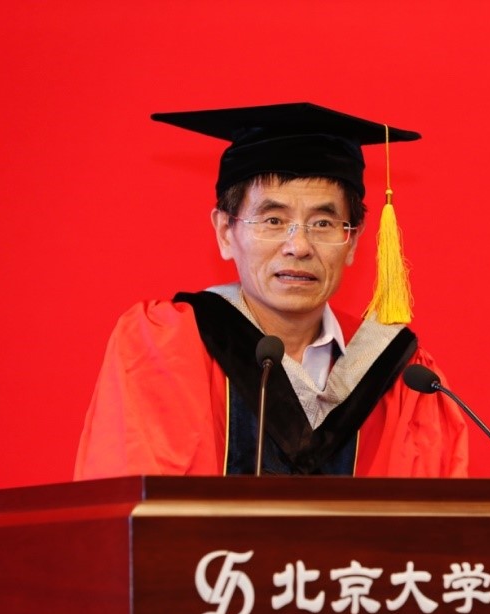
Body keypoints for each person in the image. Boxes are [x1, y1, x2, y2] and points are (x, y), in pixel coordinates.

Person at [74, 103, 468, 479]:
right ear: (225, 232)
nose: (299, 246)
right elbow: (141, 507)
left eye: (323, 223)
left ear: (352, 241)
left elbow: (431, 517)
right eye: (274, 220)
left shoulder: (400, 377)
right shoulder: (168, 348)